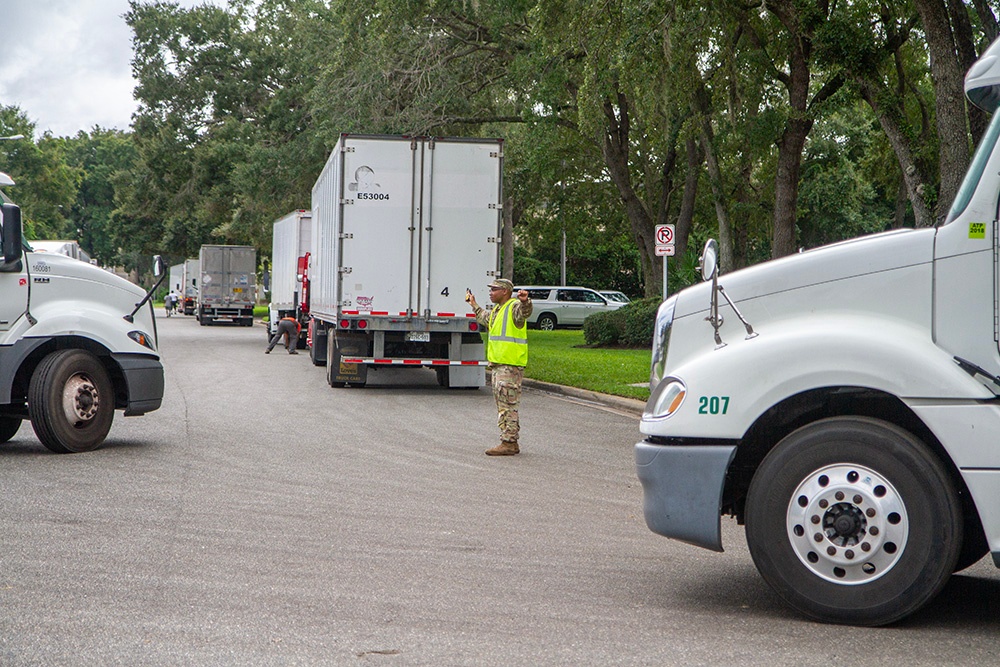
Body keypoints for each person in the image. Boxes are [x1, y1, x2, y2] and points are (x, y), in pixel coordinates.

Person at [466, 278, 532, 456]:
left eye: (494, 289)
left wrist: (525, 301)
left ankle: (509, 442)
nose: (491, 292)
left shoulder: (514, 307)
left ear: (505, 291)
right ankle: (509, 439)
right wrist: (473, 304)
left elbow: (524, 312)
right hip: (499, 365)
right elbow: (484, 318)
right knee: (503, 404)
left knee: (508, 404)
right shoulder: (497, 310)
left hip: (510, 366)